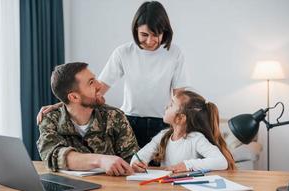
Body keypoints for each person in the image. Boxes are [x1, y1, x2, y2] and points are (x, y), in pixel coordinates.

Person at [37, 1, 188, 148]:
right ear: (135, 29)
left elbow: (179, 96)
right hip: (130, 122)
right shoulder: (123, 52)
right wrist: (61, 104)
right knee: (131, 169)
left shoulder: (174, 53)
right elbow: (97, 90)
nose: (149, 41)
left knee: (160, 169)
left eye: (156, 35)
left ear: (165, 31)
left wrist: (183, 124)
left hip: (164, 122)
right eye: (144, 34)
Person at [37, 62, 139, 176]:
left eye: (95, 79)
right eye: (91, 82)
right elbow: (53, 155)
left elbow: (133, 160)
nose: (99, 85)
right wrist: (101, 160)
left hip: (111, 189)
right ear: (74, 97)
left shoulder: (115, 116)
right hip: (69, 189)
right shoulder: (51, 119)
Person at [130, 90, 236, 173]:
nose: (166, 106)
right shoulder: (163, 136)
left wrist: (187, 165)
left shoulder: (195, 138)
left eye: (171, 105)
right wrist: (136, 162)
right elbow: (141, 155)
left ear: (180, 118)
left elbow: (221, 162)